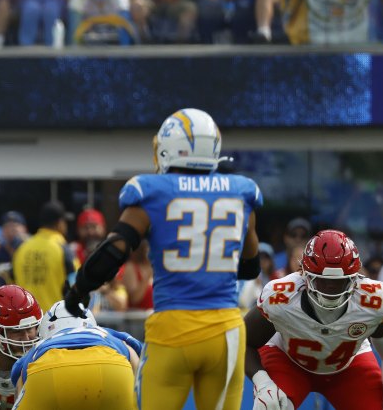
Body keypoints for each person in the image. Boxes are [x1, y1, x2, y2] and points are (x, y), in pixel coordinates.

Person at [65, 108, 263, 410]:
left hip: (173, 330)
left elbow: (114, 250)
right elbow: (250, 267)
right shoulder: (241, 193)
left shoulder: (152, 192)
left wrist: (79, 290)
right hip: (226, 331)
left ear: (171, 147)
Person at [244, 230, 383, 410]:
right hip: (289, 361)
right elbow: (244, 341)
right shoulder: (281, 296)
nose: (331, 287)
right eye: (322, 280)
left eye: (340, 281)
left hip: (349, 366)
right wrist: (263, 384)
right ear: (304, 274)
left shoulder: (373, 299)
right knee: (270, 406)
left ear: (355, 277)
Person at [9, 302, 143, 409]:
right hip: (112, 369)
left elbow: (19, 379)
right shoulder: (107, 334)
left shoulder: (41, 345)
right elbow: (138, 362)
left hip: (48, 371)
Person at [13, 202, 73, 309]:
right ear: (59, 223)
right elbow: (76, 285)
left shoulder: (22, 248)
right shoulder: (62, 248)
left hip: (27, 319)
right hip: (55, 319)